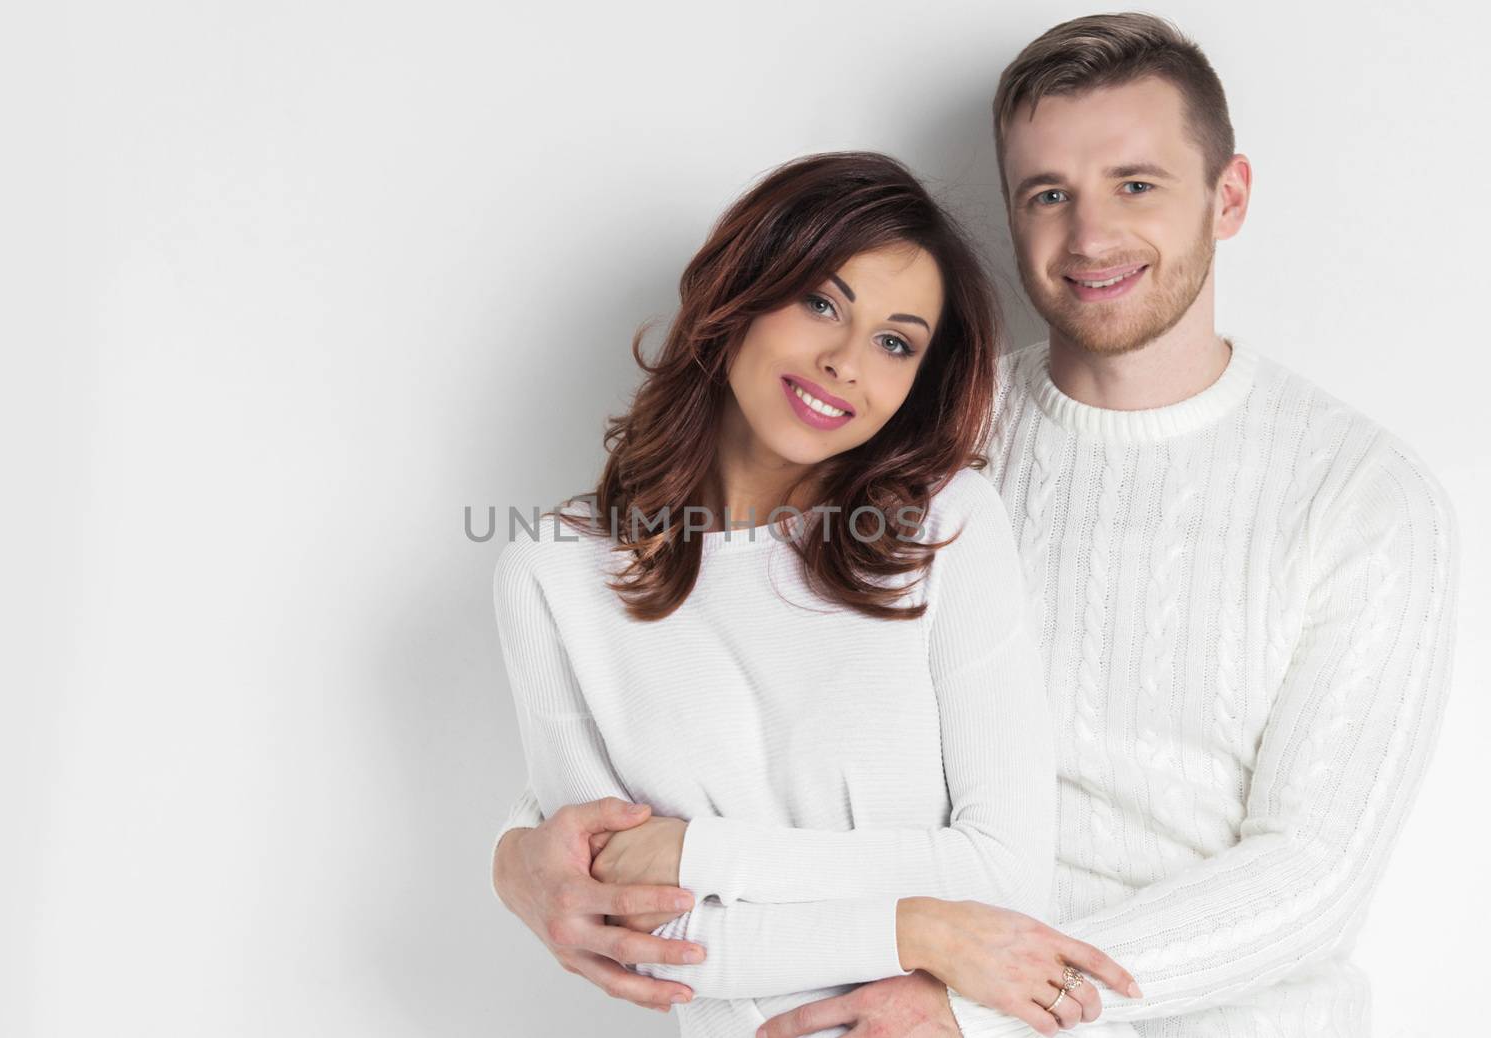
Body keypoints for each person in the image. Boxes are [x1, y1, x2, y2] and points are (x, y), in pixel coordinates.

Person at [494, 13, 1460, 1038]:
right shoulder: (906, 438)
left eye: (1136, 184)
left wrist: (968, 994)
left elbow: (1312, 875)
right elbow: (708, 710)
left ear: (1229, 198)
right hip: (865, 984)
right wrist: (521, 856)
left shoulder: (1362, 496)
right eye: (1049, 195)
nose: (1089, 236)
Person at [490, 150, 1139, 1038]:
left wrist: (697, 852)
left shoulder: (943, 528)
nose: (845, 362)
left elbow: (1003, 876)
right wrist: (916, 926)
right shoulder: (555, 575)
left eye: (894, 341)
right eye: (821, 303)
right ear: (740, 294)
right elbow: (631, 928)